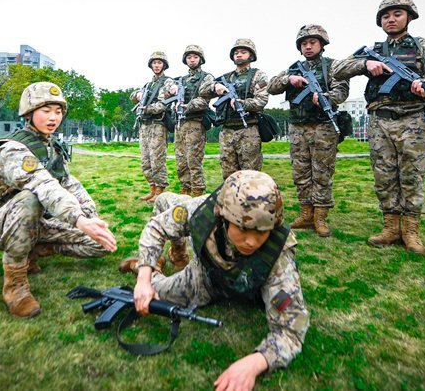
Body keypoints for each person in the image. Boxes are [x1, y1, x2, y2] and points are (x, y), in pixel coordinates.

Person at [119, 170, 308, 391]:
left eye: (261, 231)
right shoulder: (204, 211)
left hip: (245, 284)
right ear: (224, 217)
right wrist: (144, 278)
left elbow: (291, 330)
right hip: (206, 274)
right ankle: (146, 263)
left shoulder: (278, 256)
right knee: (154, 289)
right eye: (243, 228)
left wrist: (255, 363)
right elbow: (157, 227)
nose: (251, 241)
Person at [0, 82, 117, 318]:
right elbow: (42, 183)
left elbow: (70, 184)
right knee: (30, 198)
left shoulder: (51, 147)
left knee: (100, 243)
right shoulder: (11, 149)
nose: (54, 117)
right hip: (0, 225)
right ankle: (15, 285)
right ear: (29, 113)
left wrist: (90, 218)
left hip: (38, 223)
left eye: (58, 111)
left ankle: (33, 251)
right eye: (46, 111)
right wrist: (77, 219)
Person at [332, 0, 425, 255]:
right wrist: (366, 64)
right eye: (386, 16)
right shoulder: (374, 50)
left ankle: (411, 231)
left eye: (397, 14)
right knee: (383, 176)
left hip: (412, 119)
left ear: (409, 17)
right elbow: (337, 69)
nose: (391, 19)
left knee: (412, 175)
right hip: (380, 120)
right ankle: (391, 227)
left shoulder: (423, 46)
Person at [267, 24, 350, 237]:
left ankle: (320, 217)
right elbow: (271, 86)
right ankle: (306, 213)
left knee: (322, 172)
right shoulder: (294, 69)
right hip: (298, 127)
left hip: (323, 126)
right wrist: (288, 80)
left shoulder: (333, 66)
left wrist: (327, 98)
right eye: (304, 43)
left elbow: (341, 90)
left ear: (322, 44)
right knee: (301, 172)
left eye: (313, 42)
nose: (308, 46)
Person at [200, 39, 269, 179]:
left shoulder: (258, 75)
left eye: (243, 52)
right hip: (227, 130)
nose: (239, 54)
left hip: (248, 129)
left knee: (250, 175)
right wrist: (215, 86)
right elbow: (202, 91)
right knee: (228, 174)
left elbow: (261, 100)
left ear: (251, 55)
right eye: (236, 52)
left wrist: (243, 103)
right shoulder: (226, 78)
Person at [168, 45, 214, 197]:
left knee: (194, 159)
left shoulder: (206, 78)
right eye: (189, 57)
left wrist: (186, 106)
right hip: (180, 124)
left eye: (195, 57)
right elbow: (165, 91)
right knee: (181, 160)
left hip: (195, 123)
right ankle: (185, 188)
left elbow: (204, 100)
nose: (192, 60)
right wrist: (171, 89)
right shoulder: (181, 80)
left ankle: (198, 190)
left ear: (201, 59)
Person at [131, 51, 175, 203]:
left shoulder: (168, 82)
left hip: (158, 124)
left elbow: (164, 104)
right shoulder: (148, 85)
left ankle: (160, 191)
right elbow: (133, 97)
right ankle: (152, 189)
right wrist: (138, 95)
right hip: (145, 126)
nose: (156, 65)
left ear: (164, 65)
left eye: (159, 63)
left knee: (157, 160)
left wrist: (147, 108)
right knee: (145, 160)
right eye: (154, 63)